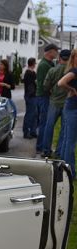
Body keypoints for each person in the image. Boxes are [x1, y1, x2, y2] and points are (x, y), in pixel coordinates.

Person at [41, 49, 71, 158]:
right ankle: (59, 152)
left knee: (49, 126)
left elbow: (45, 86)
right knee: (64, 129)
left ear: (59, 58)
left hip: (54, 101)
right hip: (67, 103)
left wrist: (51, 91)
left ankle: (46, 151)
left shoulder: (52, 70)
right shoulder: (71, 72)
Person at [35, 43, 59, 154]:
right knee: (44, 123)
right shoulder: (44, 65)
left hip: (44, 96)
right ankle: (41, 147)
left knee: (45, 122)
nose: (57, 53)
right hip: (44, 96)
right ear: (50, 52)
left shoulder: (50, 63)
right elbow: (44, 84)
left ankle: (42, 146)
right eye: (56, 51)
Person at [58, 48, 77, 180]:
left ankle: (65, 170)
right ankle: (70, 173)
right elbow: (61, 83)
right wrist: (72, 89)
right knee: (70, 141)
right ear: (74, 58)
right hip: (73, 108)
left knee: (67, 139)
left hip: (70, 106)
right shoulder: (75, 71)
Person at [22, 57, 38, 139]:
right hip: (30, 95)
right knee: (30, 114)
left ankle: (33, 131)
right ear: (33, 64)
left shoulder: (30, 73)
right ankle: (26, 131)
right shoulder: (29, 73)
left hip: (31, 95)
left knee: (34, 114)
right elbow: (31, 85)